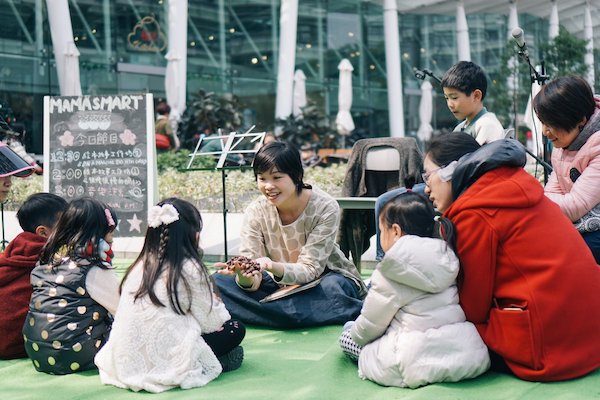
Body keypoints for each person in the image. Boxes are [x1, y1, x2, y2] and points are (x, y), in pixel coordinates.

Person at [422, 132, 600, 381]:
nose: (426, 187)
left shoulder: (474, 212)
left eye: (428, 176)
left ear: (452, 170)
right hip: (590, 339)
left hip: (547, 350)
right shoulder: (515, 185)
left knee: (434, 334)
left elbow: (473, 308)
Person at [338, 191, 489, 388]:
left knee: (349, 333)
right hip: (458, 348)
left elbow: (369, 325)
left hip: (409, 357)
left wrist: (355, 334)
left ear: (395, 231)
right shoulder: (446, 256)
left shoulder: (392, 268)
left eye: (381, 231)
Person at [95, 198, 245, 393]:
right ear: (193, 234)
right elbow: (212, 322)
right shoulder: (189, 267)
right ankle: (215, 362)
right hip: (172, 357)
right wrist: (217, 305)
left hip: (125, 360)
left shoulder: (138, 267)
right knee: (235, 328)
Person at [213, 141, 366, 328]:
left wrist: (271, 265)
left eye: (276, 177)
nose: (268, 186)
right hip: (279, 285)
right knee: (218, 282)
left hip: (321, 280)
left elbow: (311, 269)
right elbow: (252, 274)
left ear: (297, 175)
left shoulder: (325, 207)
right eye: (262, 178)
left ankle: (266, 312)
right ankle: (286, 313)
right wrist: (244, 275)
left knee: (334, 289)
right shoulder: (255, 211)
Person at [22, 198, 121, 375]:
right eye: (111, 233)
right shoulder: (92, 267)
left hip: (38, 352)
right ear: (100, 232)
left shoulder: (49, 259)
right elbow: (122, 307)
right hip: (74, 354)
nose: (112, 239)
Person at [533, 76, 600, 262]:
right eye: (542, 122)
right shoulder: (563, 146)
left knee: (567, 254)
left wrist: (533, 196)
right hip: (581, 224)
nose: (545, 131)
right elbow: (552, 192)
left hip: (594, 231)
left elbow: (574, 205)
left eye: (551, 123)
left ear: (579, 119)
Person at [0, 193, 67, 359]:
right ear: (43, 232)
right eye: (66, 226)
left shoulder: (13, 251)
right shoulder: (52, 258)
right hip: (12, 343)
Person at [441, 61, 505, 145]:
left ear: (476, 96)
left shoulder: (487, 125)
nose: (450, 104)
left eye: (454, 98)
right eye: (447, 98)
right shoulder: (460, 128)